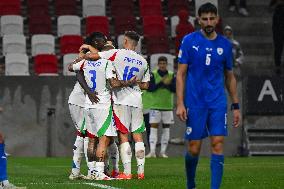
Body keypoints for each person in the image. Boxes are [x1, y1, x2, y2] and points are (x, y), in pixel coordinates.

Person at [176, 3, 241, 189]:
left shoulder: (226, 45)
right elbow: (180, 74)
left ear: (217, 19)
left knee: (218, 143)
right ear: (199, 20)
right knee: (194, 148)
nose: (209, 22)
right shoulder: (189, 41)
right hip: (195, 103)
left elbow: (230, 76)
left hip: (218, 103)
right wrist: (180, 103)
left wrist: (235, 105)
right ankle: (190, 184)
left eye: (212, 18)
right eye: (205, 19)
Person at [78, 31, 150, 180]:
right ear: (136, 44)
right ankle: (141, 172)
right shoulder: (143, 61)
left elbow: (93, 57)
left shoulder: (117, 53)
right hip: (137, 99)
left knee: (124, 137)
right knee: (138, 136)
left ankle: (128, 173)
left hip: (120, 100)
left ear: (125, 41)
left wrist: (86, 52)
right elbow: (146, 85)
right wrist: (134, 82)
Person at [69, 43, 118, 180]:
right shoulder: (107, 63)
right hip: (99, 104)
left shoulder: (86, 61)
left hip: (87, 104)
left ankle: (90, 171)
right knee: (103, 139)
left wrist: (82, 55)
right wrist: (128, 83)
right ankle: (99, 172)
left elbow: (71, 67)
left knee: (89, 138)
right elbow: (113, 83)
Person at [145, 56, 176, 158]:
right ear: (158, 64)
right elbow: (150, 88)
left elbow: (175, 89)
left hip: (167, 106)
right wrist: (162, 82)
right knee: (153, 128)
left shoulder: (172, 75)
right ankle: (152, 151)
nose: (162, 65)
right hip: (155, 106)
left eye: (164, 64)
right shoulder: (153, 74)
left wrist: (168, 84)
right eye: (161, 63)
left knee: (166, 128)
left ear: (167, 64)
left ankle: (163, 152)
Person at [270, 0, 284, 75]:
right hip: (278, 27)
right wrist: (277, 3)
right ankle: (277, 66)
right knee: (278, 47)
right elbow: (270, 9)